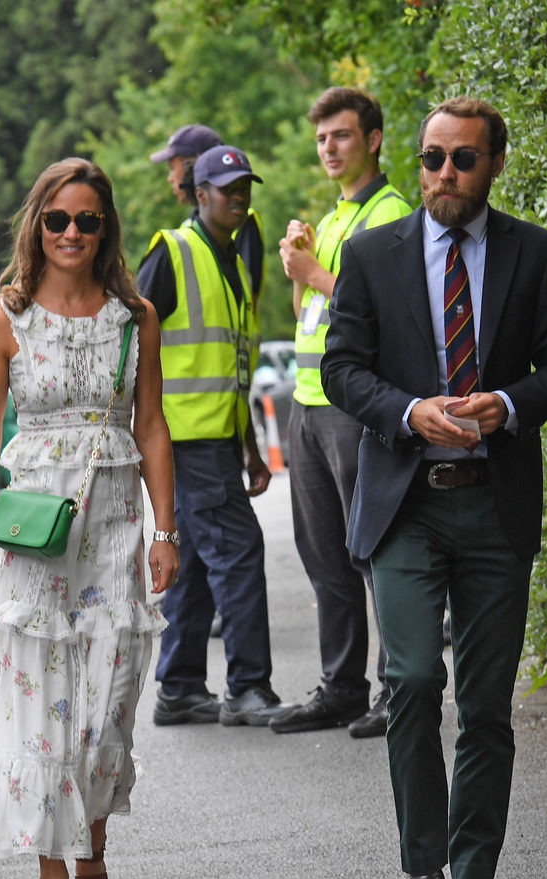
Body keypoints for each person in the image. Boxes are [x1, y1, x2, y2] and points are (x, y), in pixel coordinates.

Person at [321, 97, 547, 879]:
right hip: (406, 504)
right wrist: (408, 412)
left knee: (485, 702)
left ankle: (474, 877)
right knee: (410, 684)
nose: (443, 175)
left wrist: (506, 404)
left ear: (493, 164)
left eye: (461, 160)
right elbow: (342, 370)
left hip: (495, 507)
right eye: (433, 158)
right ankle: (419, 874)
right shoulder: (370, 254)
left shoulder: (534, 252)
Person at [0, 157, 178, 879]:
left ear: (106, 230)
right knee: (40, 703)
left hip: (113, 527)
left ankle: (93, 841)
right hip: (38, 536)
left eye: (89, 221)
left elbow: (151, 427)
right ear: (36, 223)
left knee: (107, 696)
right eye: (58, 219)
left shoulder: (133, 317)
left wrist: (166, 531)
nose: (72, 233)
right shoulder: (5, 320)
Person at [270, 87, 411, 739]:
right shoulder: (332, 219)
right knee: (324, 553)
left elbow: (393, 310)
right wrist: (300, 267)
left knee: (375, 552)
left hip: (355, 409)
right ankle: (342, 687)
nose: (330, 148)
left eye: (343, 136)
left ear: (373, 140)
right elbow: (309, 316)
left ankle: (397, 690)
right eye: (323, 138)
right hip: (306, 407)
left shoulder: (390, 211)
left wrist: (313, 271)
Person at [137, 144, 285, 728]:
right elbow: (135, 339)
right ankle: (248, 688)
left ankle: (178, 688)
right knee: (240, 554)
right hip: (185, 438)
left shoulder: (232, 260)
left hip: (216, 436)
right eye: (228, 189)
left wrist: (248, 443)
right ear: (200, 195)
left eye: (245, 187)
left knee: (197, 561)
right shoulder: (174, 252)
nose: (240, 197)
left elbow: (233, 365)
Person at [150, 123, 266, 309]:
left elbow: (244, 303)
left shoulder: (241, 221)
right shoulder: (181, 238)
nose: (170, 177)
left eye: (174, 167)